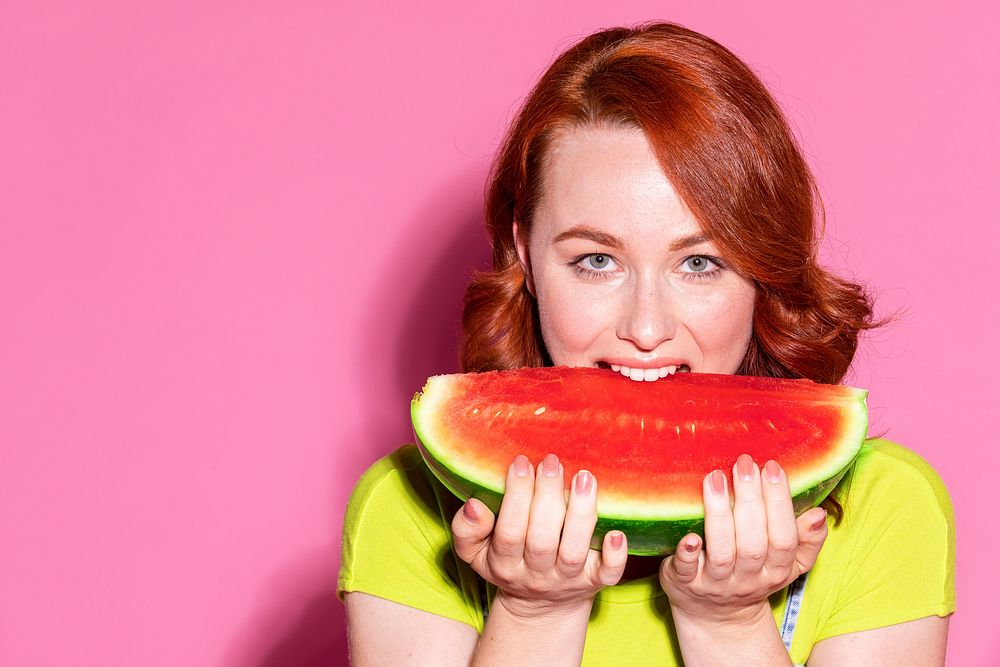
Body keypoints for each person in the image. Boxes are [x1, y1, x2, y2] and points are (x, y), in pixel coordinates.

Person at [338, 22, 955, 665]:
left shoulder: (886, 509)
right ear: (525, 255)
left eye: (699, 264)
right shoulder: (406, 509)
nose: (646, 328)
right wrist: (533, 615)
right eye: (596, 260)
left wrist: (730, 624)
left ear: (763, 269)